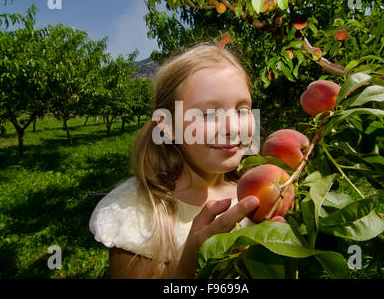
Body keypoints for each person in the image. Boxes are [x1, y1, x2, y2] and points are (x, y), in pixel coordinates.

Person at [89, 43, 284, 279]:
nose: (233, 128)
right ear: (168, 126)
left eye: (242, 110)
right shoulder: (139, 213)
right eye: (209, 114)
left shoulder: (261, 188)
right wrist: (191, 264)